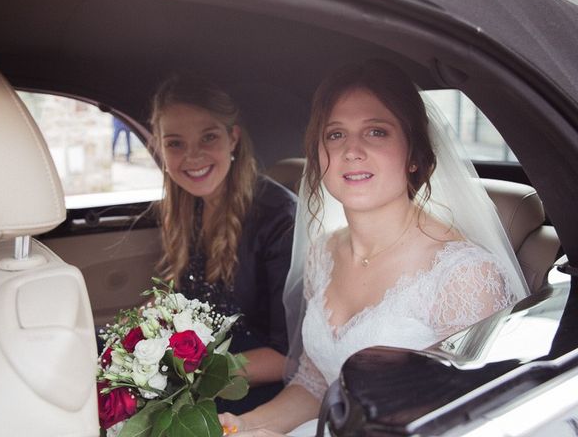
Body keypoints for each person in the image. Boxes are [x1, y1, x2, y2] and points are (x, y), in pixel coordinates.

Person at [219, 61, 530, 436]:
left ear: (414, 154)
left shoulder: (464, 276)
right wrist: (242, 424)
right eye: (335, 135)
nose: (352, 150)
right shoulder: (323, 253)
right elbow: (316, 385)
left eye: (376, 132)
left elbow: (477, 422)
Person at [150, 72, 297, 414]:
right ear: (159, 146)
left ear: (233, 138)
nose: (193, 156)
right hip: (196, 363)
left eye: (208, 137)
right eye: (175, 143)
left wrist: (189, 375)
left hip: (248, 383)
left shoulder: (278, 219)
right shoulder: (187, 206)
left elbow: (287, 357)